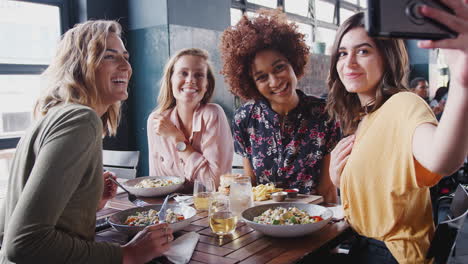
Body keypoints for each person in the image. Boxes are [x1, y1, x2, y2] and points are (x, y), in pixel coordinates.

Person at [0, 20, 173, 264]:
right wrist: (128, 254)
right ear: (80, 65)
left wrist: (89, 201)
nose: (126, 66)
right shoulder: (81, 120)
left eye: (125, 56)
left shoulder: (55, 115)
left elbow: (7, 223)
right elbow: (23, 243)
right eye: (110, 57)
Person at [327, 5, 468, 263]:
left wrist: (461, 83)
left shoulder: (403, 104)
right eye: (342, 53)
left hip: (392, 255)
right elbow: (384, 189)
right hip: (364, 247)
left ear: (387, 56)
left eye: (363, 51)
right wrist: (341, 180)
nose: (349, 62)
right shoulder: (365, 118)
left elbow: (441, 159)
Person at [220, 9, 341, 203]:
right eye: (262, 77)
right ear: (252, 84)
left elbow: (327, 188)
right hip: (263, 220)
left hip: (312, 220)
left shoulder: (325, 115)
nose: (275, 81)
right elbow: (250, 185)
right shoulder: (245, 118)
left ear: (293, 63)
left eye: (279, 67)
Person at [147, 48, 233, 188]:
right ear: (170, 80)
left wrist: (176, 138)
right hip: (169, 207)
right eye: (183, 73)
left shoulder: (213, 114)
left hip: (209, 207)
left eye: (199, 75)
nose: (190, 80)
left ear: (207, 85)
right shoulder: (155, 121)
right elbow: (156, 183)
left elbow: (216, 184)